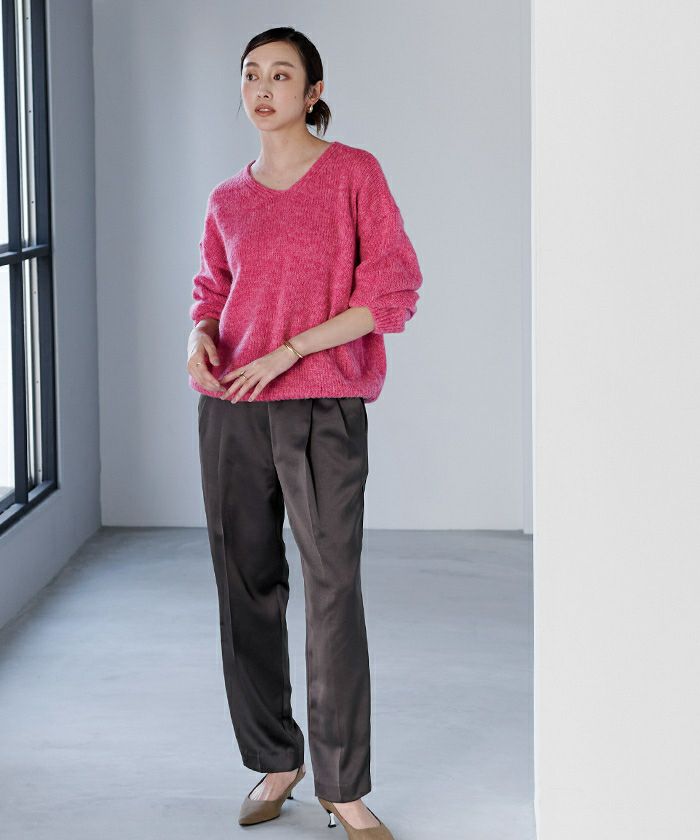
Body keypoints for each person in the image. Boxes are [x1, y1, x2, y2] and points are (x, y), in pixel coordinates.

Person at [186, 26, 422, 840]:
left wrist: (289, 350)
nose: (263, 88)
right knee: (244, 584)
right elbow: (210, 291)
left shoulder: (354, 173)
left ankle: (343, 785)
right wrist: (197, 338)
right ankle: (274, 759)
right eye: (251, 73)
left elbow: (390, 292)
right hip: (231, 406)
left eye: (281, 75)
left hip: (322, 405)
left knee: (331, 589)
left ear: (313, 92)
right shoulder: (227, 197)